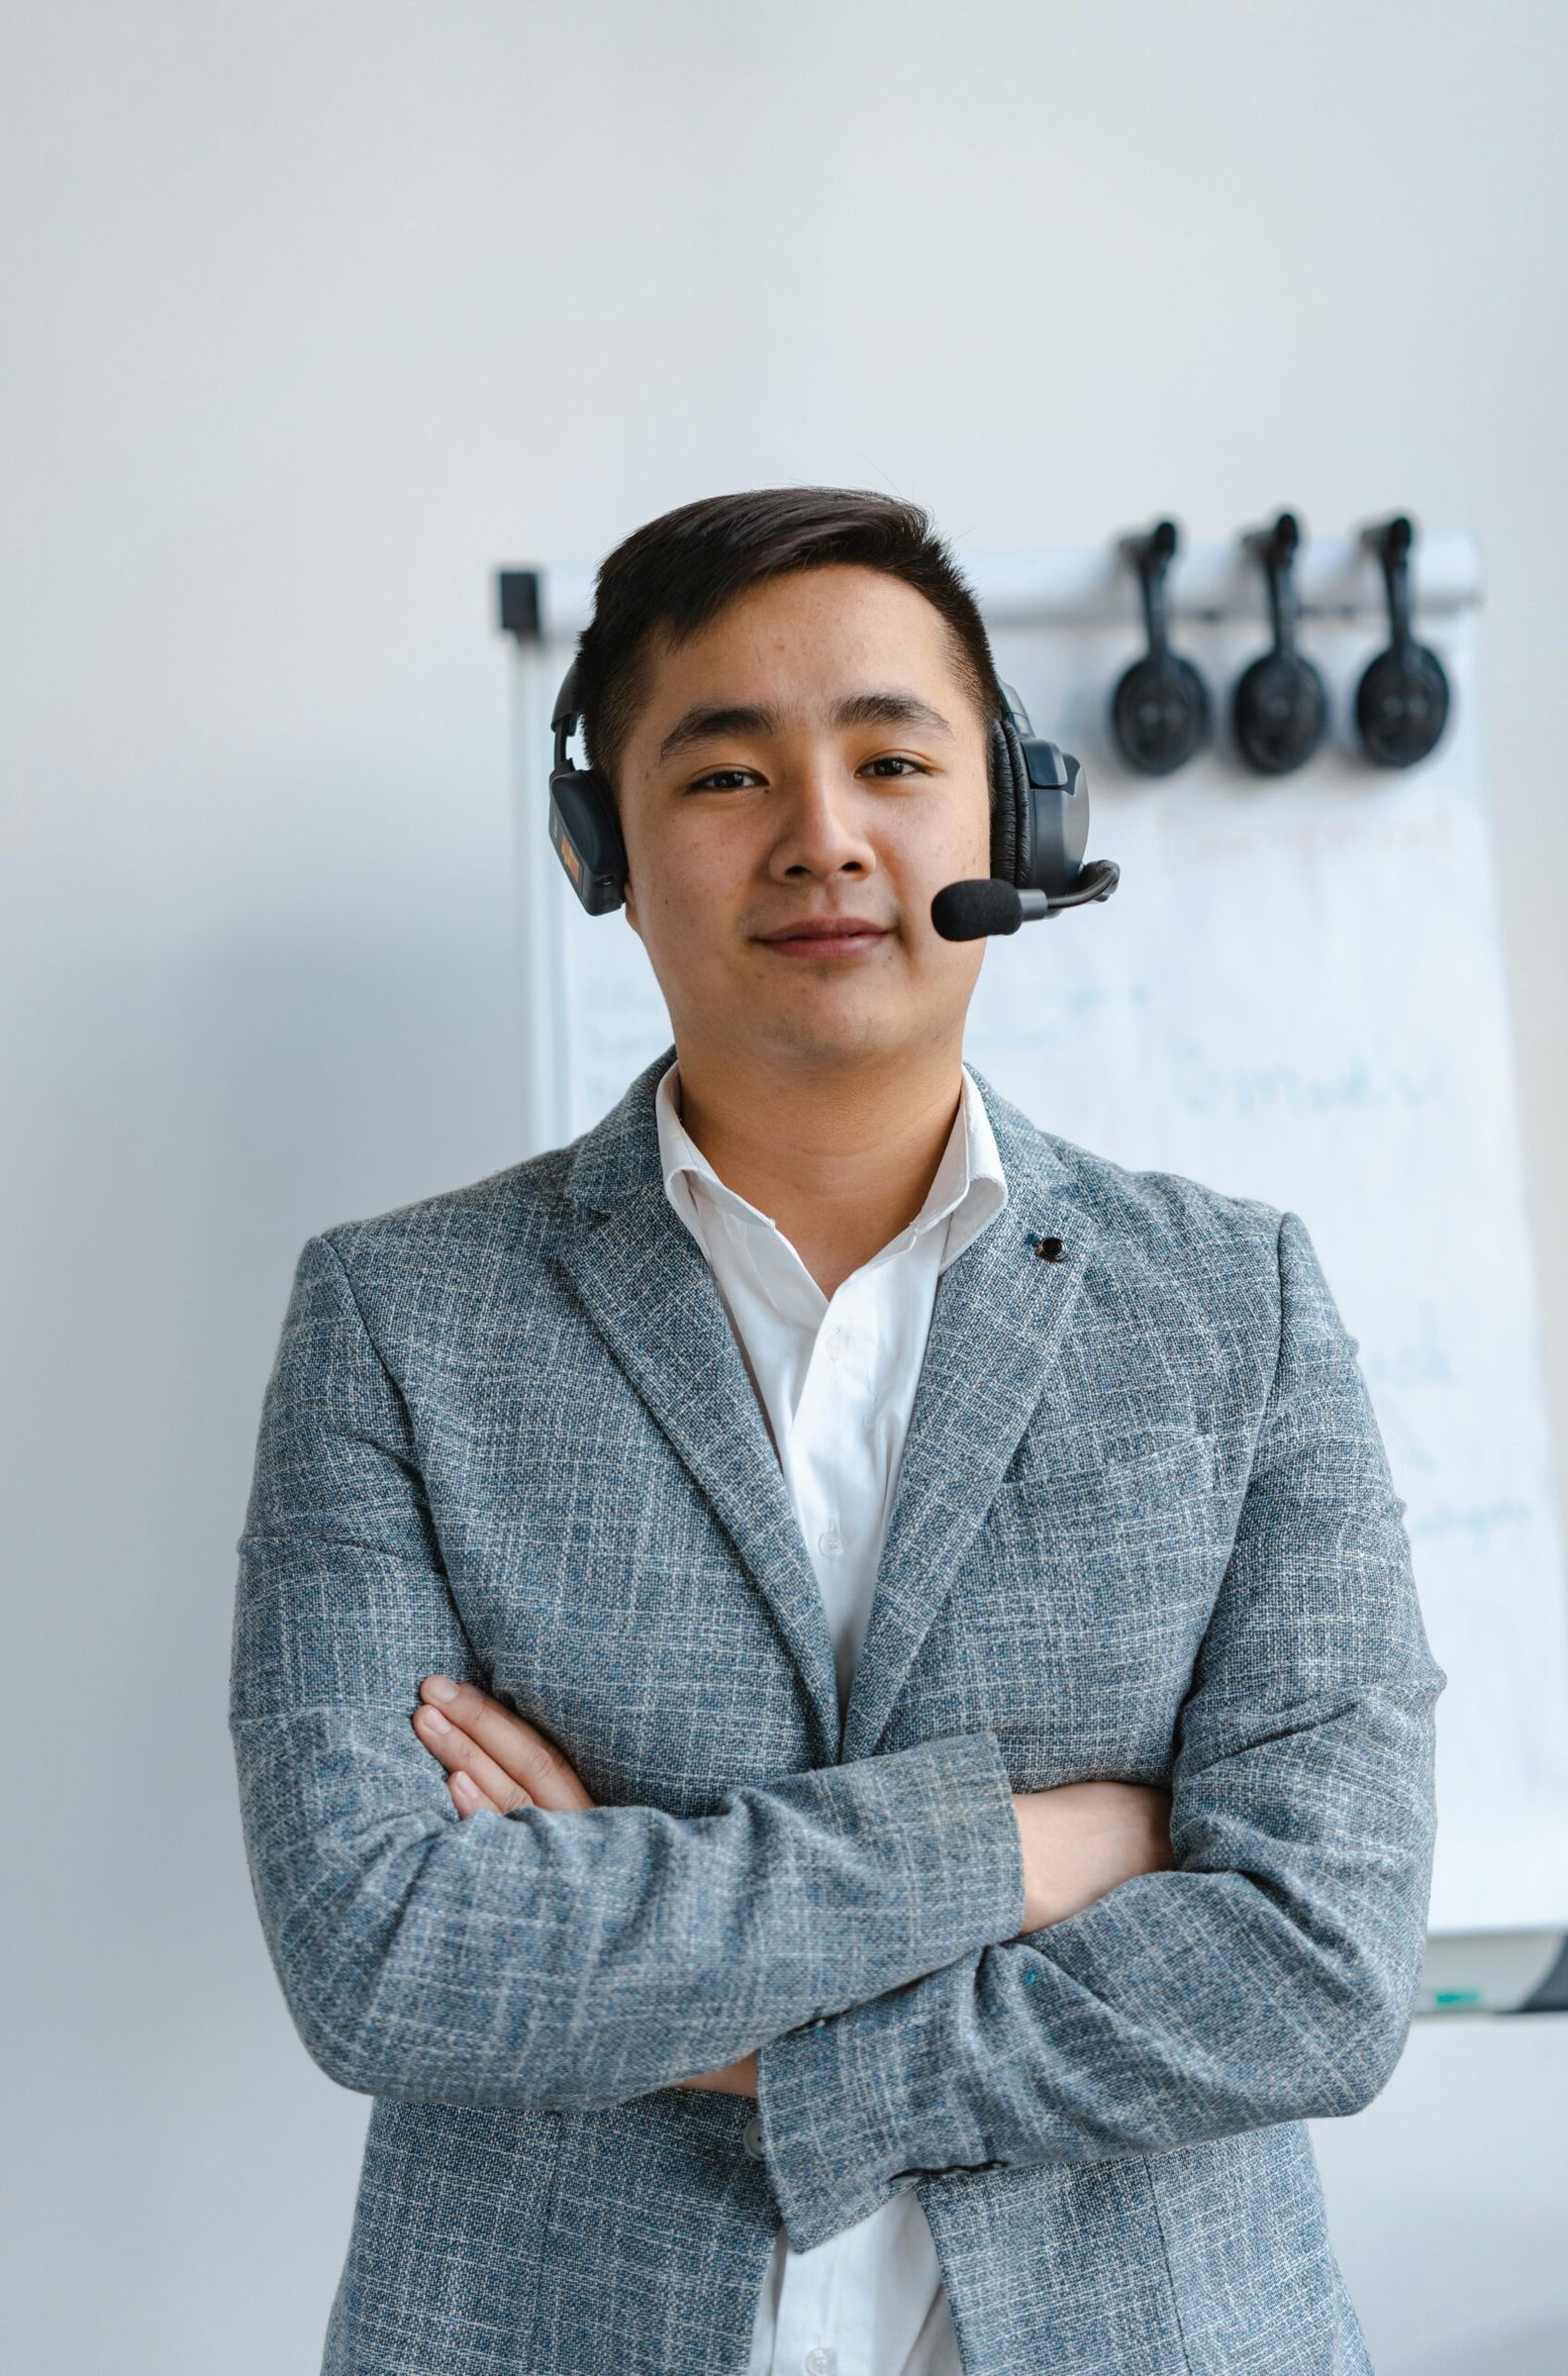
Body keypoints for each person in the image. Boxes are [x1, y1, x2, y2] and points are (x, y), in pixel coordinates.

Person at [230, 486, 1445, 2376]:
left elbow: (1318, 1974)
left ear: (1016, 821)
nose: (821, 838)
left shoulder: (1237, 1308)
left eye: (892, 757)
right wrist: (1019, 1853)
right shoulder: (399, 1323)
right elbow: (387, 1952)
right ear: (600, 845)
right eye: (724, 778)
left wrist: (707, 2019)